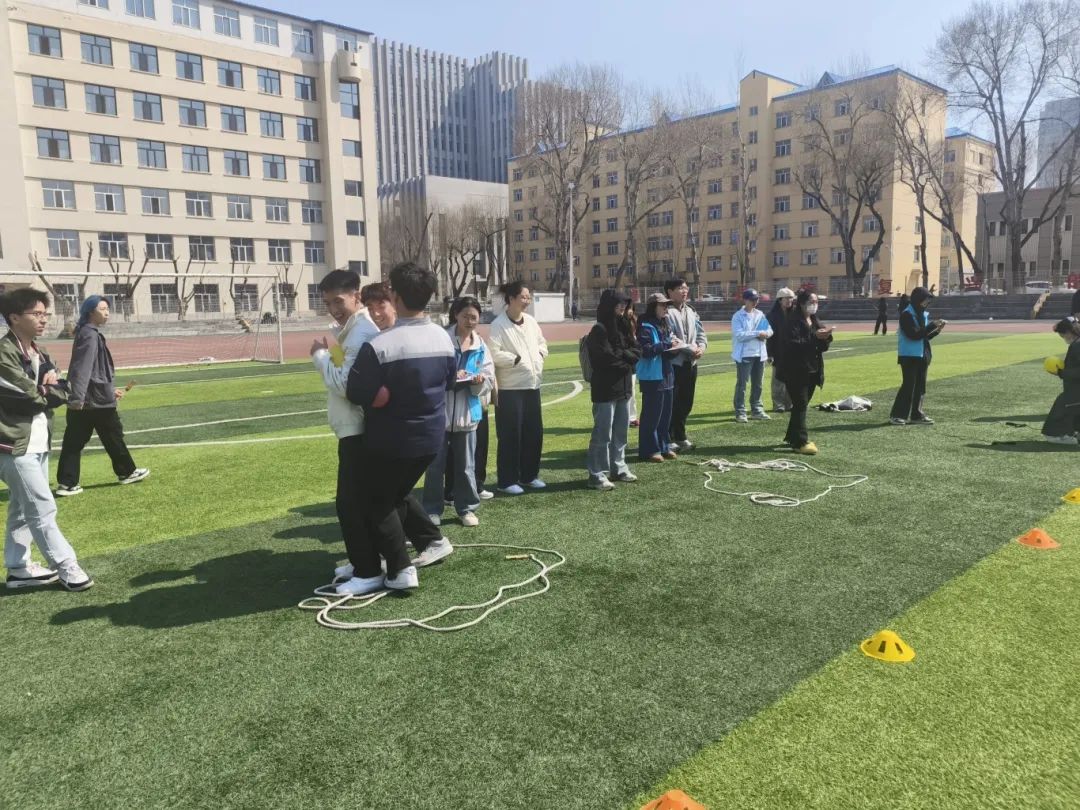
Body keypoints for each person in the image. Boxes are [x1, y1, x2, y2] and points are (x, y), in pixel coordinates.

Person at [336, 262, 456, 596]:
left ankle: (400, 569)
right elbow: (448, 381)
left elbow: (355, 391)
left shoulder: (381, 345)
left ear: (396, 296)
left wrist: (326, 356)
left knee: (378, 501)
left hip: (392, 439)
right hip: (432, 437)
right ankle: (429, 542)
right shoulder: (444, 339)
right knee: (395, 494)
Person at [0, 289, 93, 591]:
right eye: (36, 314)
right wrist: (47, 389)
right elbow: (25, 396)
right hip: (13, 444)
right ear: (15, 317)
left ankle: (18, 568)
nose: (43, 319)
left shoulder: (38, 351)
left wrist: (49, 388)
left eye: (45, 314)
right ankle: (66, 566)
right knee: (42, 506)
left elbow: (62, 386)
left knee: (21, 508)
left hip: (37, 439)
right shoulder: (3, 352)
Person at [309, 270, 380, 573]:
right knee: (364, 500)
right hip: (354, 425)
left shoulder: (362, 331)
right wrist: (333, 352)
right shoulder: (352, 329)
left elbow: (345, 385)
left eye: (338, 301)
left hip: (358, 427)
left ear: (356, 296)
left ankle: (367, 569)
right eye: (328, 303)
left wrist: (320, 356)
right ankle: (369, 561)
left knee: (352, 503)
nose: (333, 309)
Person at [55, 296, 149, 496]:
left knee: (77, 440)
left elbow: (94, 370)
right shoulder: (89, 335)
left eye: (108, 309)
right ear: (91, 312)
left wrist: (107, 390)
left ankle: (67, 483)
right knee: (112, 435)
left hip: (91, 398)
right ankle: (126, 472)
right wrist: (77, 399)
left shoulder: (87, 333)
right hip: (94, 401)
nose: (107, 313)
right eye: (103, 309)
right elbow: (82, 368)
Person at [422, 296, 494, 526]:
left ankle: (466, 508)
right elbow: (429, 372)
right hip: (439, 414)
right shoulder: (441, 340)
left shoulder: (480, 345)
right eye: (465, 316)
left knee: (466, 466)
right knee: (435, 466)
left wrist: (478, 382)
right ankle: (432, 509)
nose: (470, 321)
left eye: (474, 317)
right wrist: (451, 377)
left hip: (467, 414)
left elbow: (489, 377)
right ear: (455, 315)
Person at [488, 281, 549, 495]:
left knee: (534, 433)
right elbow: (493, 353)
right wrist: (515, 359)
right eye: (523, 297)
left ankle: (529, 476)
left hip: (532, 385)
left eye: (528, 297)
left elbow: (542, 343)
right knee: (510, 434)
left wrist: (540, 354)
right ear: (511, 299)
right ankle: (507, 480)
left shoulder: (531, 322)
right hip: (510, 389)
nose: (527, 301)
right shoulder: (498, 325)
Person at [585, 290, 642, 489]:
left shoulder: (624, 326)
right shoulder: (598, 330)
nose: (623, 307)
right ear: (609, 306)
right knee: (603, 433)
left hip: (624, 387)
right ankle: (596, 473)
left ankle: (619, 467)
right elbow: (605, 359)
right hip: (605, 389)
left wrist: (624, 356)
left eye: (624, 304)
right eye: (619, 304)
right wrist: (627, 358)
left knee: (620, 432)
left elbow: (637, 350)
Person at [778, 289, 834, 455]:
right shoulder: (792, 321)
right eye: (811, 302)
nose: (814, 305)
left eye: (816, 302)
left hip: (812, 369)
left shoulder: (814, 319)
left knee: (800, 405)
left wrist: (826, 337)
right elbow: (793, 344)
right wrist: (815, 337)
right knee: (801, 404)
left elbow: (821, 346)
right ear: (802, 304)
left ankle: (792, 436)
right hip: (795, 370)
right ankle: (800, 442)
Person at [636, 293, 683, 462]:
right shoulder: (644, 326)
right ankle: (649, 449)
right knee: (652, 415)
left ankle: (663, 446)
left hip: (667, 374)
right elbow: (646, 350)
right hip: (652, 376)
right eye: (662, 305)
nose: (666, 308)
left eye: (666, 305)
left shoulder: (664, 324)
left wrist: (676, 348)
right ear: (652, 307)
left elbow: (665, 352)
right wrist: (668, 345)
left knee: (665, 415)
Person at [890, 286, 946, 426]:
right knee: (908, 386)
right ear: (918, 299)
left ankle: (916, 415)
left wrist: (936, 330)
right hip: (909, 356)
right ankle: (897, 415)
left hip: (922, 355)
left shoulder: (921, 314)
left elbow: (923, 336)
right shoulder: (907, 315)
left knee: (920, 387)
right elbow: (913, 335)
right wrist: (931, 325)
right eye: (925, 300)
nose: (927, 303)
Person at [664, 278, 707, 450]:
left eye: (686, 288)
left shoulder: (691, 311)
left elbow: (701, 333)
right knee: (672, 402)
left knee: (686, 402)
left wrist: (701, 347)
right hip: (675, 364)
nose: (684, 291)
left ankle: (680, 436)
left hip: (691, 364)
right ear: (669, 291)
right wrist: (691, 349)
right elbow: (670, 337)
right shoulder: (666, 312)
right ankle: (668, 437)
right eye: (680, 288)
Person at [731, 288, 773, 423]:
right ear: (745, 300)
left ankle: (757, 410)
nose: (755, 302)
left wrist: (765, 334)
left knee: (758, 384)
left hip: (759, 354)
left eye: (756, 299)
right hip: (744, 354)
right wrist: (758, 333)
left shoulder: (759, 314)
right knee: (742, 385)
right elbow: (740, 335)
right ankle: (740, 412)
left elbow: (769, 330)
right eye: (752, 300)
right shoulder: (738, 316)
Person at [1042, 316, 1080, 444]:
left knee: (1064, 405)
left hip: (1076, 390)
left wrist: (1060, 372)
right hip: (1074, 388)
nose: (1063, 338)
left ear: (1068, 332)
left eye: (1062, 335)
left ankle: (1059, 435)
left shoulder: (1077, 346)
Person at [766, 287, 795, 413]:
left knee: (791, 379)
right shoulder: (771, 315)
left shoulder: (795, 314)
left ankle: (789, 404)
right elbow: (768, 336)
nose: (790, 301)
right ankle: (778, 404)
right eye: (787, 298)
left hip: (793, 351)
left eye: (791, 298)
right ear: (779, 300)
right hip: (778, 352)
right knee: (778, 380)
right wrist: (769, 353)